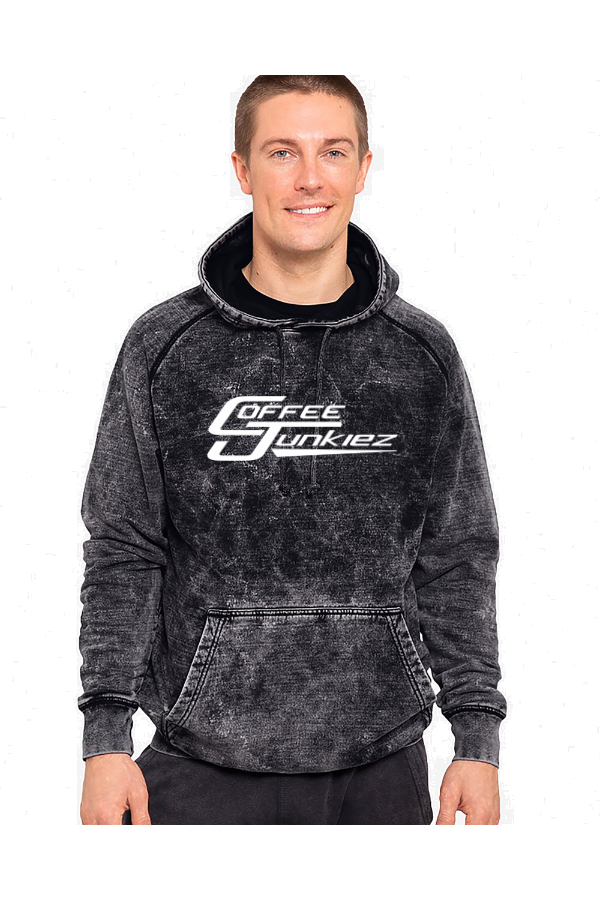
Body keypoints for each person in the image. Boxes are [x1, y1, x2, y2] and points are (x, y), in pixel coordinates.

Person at [78, 75, 506, 826]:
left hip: (382, 763)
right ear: (242, 169)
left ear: (363, 168)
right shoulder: (165, 347)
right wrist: (105, 738)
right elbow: (125, 545)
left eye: (332, 151)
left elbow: (457, 553)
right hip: (198, 757)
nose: (310, 178)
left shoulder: (422, 354)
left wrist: (477, 738)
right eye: (282, 152)